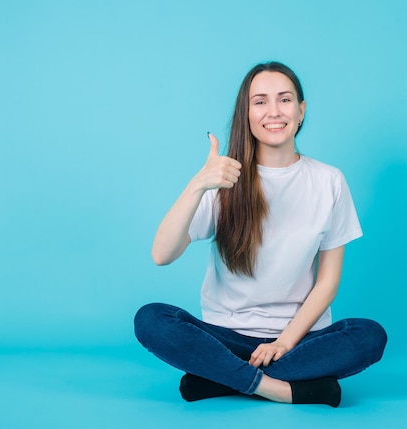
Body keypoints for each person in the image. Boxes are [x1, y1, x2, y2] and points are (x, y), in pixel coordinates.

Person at [134, 61, 387, 406]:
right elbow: (162, 255)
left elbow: (327, 283)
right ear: (247, 114)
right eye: (260, 102)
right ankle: (279, 388)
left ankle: (221, 378)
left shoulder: (329, 181)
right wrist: (198, 184)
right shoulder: (223, 179)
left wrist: (283, 343)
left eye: (284, 100)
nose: (273, 112)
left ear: (301, 111)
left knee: (368, 335)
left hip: (301, 339)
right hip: (228, 336)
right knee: (151, 319)